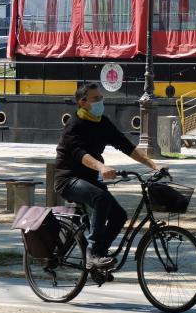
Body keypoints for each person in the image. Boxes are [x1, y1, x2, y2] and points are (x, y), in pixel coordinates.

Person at [54, 83, 163, 269]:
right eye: (96, 99)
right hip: (68, 179)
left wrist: (154, 165)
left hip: (88, 179)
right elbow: (80, 154)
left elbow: (126, 145)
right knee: (100, 198)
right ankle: (93, 253)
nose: (100, 102)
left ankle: (100, 254)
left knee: (119, 215)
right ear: (83, 102)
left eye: (101, 98)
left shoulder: (102, 122)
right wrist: (102, 167)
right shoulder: (74, 125)